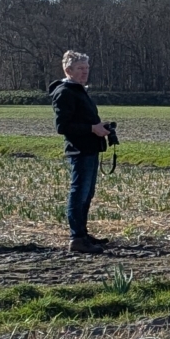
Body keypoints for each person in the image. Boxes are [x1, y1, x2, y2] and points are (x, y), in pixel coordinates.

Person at [49, 49, 117, 254]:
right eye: (80, 68)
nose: (85, 72)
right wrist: (91, 129)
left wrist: (99, 127)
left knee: (86, 194)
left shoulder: (78, 90)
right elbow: (62, 127)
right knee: (79, 194)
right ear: (68, 69)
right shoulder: (65, 92)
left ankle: (82, 234)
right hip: (79, 151)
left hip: (89, 149)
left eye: (87, 68)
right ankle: (77, 238)